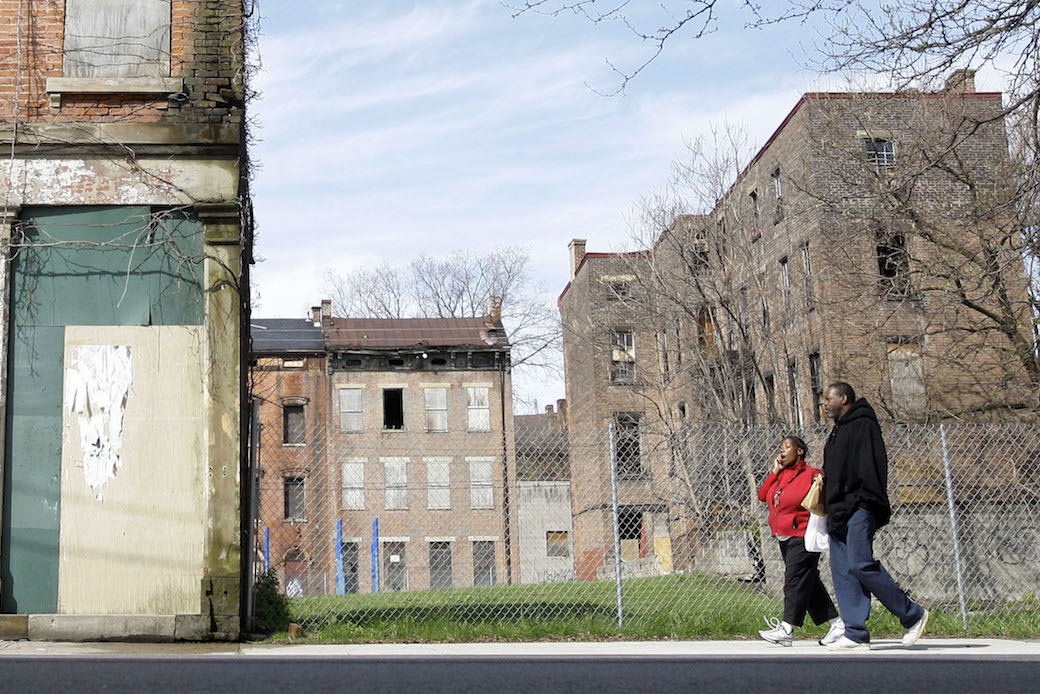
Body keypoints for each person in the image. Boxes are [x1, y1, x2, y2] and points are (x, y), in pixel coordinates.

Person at [822, 381, 929, 650]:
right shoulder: (838, 431)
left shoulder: (863, 425)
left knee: (860, 563)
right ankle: (855, 632)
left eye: (828, 399)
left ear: (843, 398)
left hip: (860, 505)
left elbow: (868, 469)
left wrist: (860, 499)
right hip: (837, 510)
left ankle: (912, 615)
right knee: (843, 571)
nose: (823, 404)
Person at [756, 435, 844, 647]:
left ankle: (787, 628)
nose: (782, 451)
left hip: (803, 535)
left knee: (793, 581)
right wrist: (774, 472)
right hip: (783, 536)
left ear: (800, 451)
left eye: (787, 447)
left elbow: (821, 499)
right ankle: (838, 624)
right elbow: (762, 495)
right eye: (780, 447)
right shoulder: (780, 475)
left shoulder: (811, 474)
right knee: (809, 582)